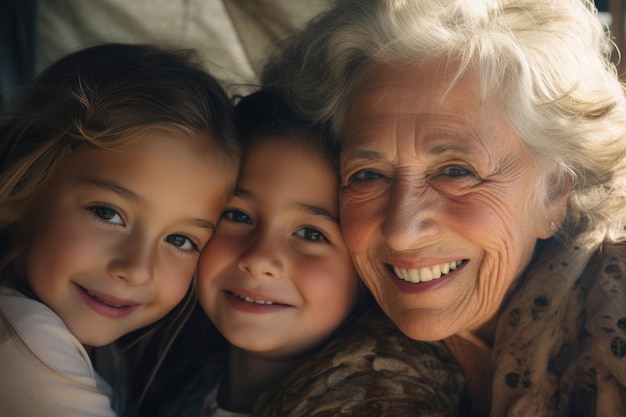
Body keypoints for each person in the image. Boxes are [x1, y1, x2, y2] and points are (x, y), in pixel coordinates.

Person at [260, 0, 626, 416]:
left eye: (455, 171)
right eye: (368, 174)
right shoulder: (335, 364)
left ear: (554, 193)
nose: (401, 230)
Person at [153, 89, 465, 417]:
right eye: (238, 216)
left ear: (364, 270)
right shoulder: (168, 380)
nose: (259, 260)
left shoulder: (384, 394)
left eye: (311, 234)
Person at [0, 42, 241, 417]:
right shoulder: (24, 345)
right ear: (24, 185)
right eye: (108, 214)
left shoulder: (88, 342)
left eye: (179, 240)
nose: (138, 269)